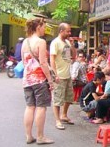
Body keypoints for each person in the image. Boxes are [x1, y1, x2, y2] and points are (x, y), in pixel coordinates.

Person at [21, 17, 54, 145]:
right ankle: (40, 137)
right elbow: (43, 63)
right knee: (41, 107)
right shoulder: (40, 42)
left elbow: (24, 62)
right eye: (44, 26)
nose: (45, 29)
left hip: (27, 79)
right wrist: (50, 81)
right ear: (38, 27)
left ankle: (29, 136)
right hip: (39, 80)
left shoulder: (25, 42)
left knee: (30, 107)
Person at [50, 23, 76, 130]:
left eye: (70, 31)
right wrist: (55, 74)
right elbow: (52, 59)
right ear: (61, 31)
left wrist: (73, 45)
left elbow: (73, 56)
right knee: (57, 99)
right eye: (68, 31)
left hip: (67, 74)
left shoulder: (67, 42)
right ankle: (57, 120)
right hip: (59, 75)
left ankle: (64, 115)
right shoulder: (55, 43)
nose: (69, 33)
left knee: (69, 98)